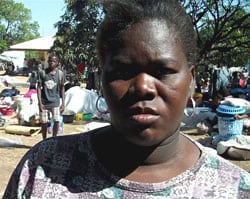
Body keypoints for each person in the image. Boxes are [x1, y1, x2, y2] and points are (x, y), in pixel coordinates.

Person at [3, 1, 250, 198]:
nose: (142, 87)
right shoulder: (43, 168)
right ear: (102, 80)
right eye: (122, 72)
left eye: (162, 71)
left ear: (191, 80)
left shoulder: (233, 188)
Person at [36, 53, 65, 139]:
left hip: (55, 101)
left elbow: (62, 88)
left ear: (57, 63)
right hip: (44, 102)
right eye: (50, 61)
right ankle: (44, 140)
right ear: (48, 62)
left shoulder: (60, 74)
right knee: (44, 122)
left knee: (56, 120)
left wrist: (63, 103)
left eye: (54, 61)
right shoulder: (43, 73)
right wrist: (40, 103)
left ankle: (54, 139)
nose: (52, 62)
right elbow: (38, 88)